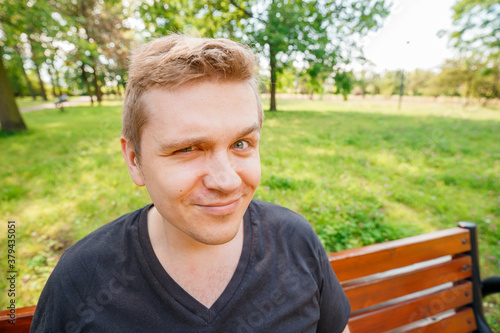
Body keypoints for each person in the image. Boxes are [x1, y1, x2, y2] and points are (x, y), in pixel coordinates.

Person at [31, 34, 350, 332]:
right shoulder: (81, 280)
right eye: (188, 149)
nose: (227, 181)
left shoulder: (295, 240)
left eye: (241, 143)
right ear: (134, 159)